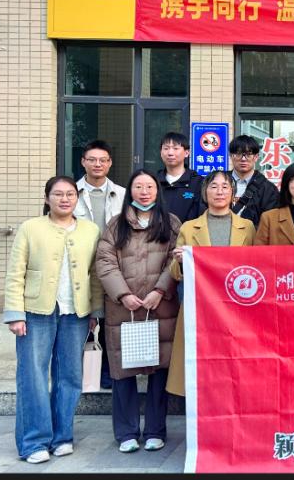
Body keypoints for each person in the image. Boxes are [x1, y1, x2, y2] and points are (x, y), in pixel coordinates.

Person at [3, 176, 102, 464]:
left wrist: (95, 312)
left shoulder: (90, 230)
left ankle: (62, 436)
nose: (64, 199)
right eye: (58, 194)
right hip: (36, 312)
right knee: (33, 375)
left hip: (76, 313)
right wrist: (15, 313)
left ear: (77, 198)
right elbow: (15, 272)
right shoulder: (30, 228)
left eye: (70, 194)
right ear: (47, 198)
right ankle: (34, 441)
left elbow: (94, 275)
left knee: (69, 376)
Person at [95, 170, 181, 454]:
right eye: (138, 187)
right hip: (124, 310)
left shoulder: (170, 223)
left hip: (161, 307)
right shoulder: (116, 224)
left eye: (150, 187)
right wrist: (123, 294)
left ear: (158, 191)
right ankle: (126, 432)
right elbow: (105, 261)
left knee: (159, 372)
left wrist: (160, 290)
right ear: (129, 191)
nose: (144, 192)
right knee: (123, 373)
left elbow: (176, 259)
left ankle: (156, 431)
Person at [166, 170, 257, 398]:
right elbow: (175, 273)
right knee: (202, 363)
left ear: (233, 194)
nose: (219, 191)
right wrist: (180, 261)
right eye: (213, 187)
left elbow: (255, 268)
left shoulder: (247, 227)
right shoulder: (189, 227)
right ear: (205, 193)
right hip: (200, 308)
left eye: (225, 187)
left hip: (236, 308)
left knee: (232, 363)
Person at [74, 139, 125, 388]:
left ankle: (107, 372)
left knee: (109, 320)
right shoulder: (70, 193)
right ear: (83, 162)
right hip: (80, 267)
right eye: (92, 159)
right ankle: (78, 372)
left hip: (113, 266)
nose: (97, 164)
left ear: (110, 163)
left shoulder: (122, 194)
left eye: (103, 160)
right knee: (81, 318)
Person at [228, 134, 280, 227]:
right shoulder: (216, 183)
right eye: (239, 154)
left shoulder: (268, 189)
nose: (243, 159)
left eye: (248, 154)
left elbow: (270, 223)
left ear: (256, 157)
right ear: (231, 156)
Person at [155, 132, 205, 223]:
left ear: (186, 153)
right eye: (166, 148)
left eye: (175, 148)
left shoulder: (198, 183)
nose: (170, 153)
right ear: (161, 153)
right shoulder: (153, 181)